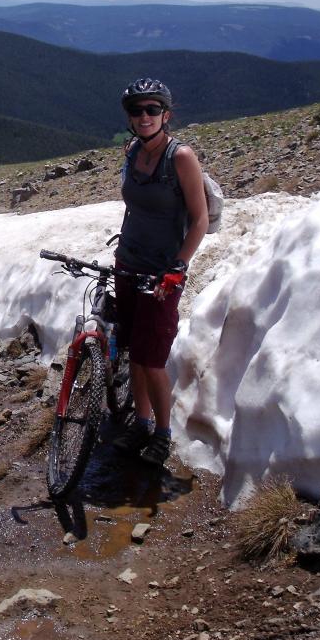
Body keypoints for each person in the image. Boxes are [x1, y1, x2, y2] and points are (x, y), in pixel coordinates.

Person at [110, 78, 208, 467]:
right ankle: (142, 422)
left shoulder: (180, 157)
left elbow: (199, 219)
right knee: (135, 352)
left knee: (152, 360)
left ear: (166, 115)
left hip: (161, 273)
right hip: (129, 262)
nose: (144, 116)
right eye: (137, 111)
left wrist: (177, 269)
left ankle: (163, 434)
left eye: (152, 109)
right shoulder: (132, 150)